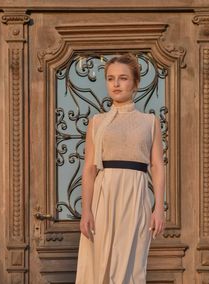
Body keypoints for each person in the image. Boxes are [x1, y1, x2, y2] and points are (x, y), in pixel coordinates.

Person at [75, 53, 165, 283]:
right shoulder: (96, 122)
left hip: (135, 196)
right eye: (111, 78)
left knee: (130, 265)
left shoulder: (149, 122)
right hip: (104, 196)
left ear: (135, 83)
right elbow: (89, 169)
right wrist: (86, 211)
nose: (116, 83)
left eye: (123, 78)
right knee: (100, 265)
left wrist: (159, 209)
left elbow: (157, 166)